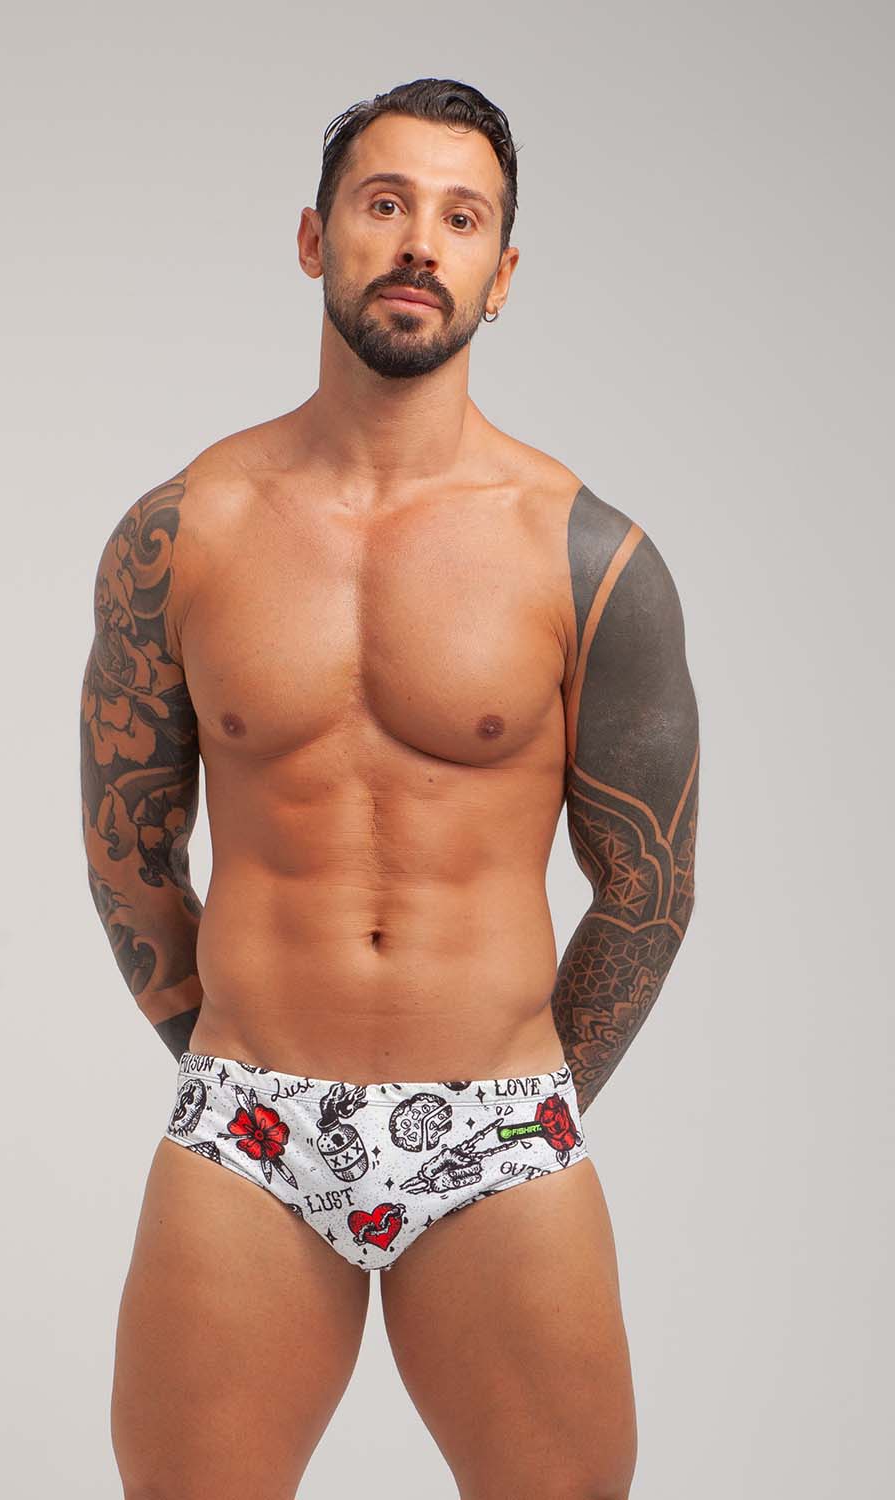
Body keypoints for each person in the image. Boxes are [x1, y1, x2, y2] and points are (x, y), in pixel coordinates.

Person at [80, 77, 699, 1500]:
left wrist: (522, 1111)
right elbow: (129, 849)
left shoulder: (589, 557)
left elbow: (649, 889)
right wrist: (230, 1060)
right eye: (385, 204)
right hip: (248, 1125)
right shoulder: (181, 534)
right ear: (315, 239)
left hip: (497, 1127)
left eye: (462, 218)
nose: (422, 241)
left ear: (502, 274)